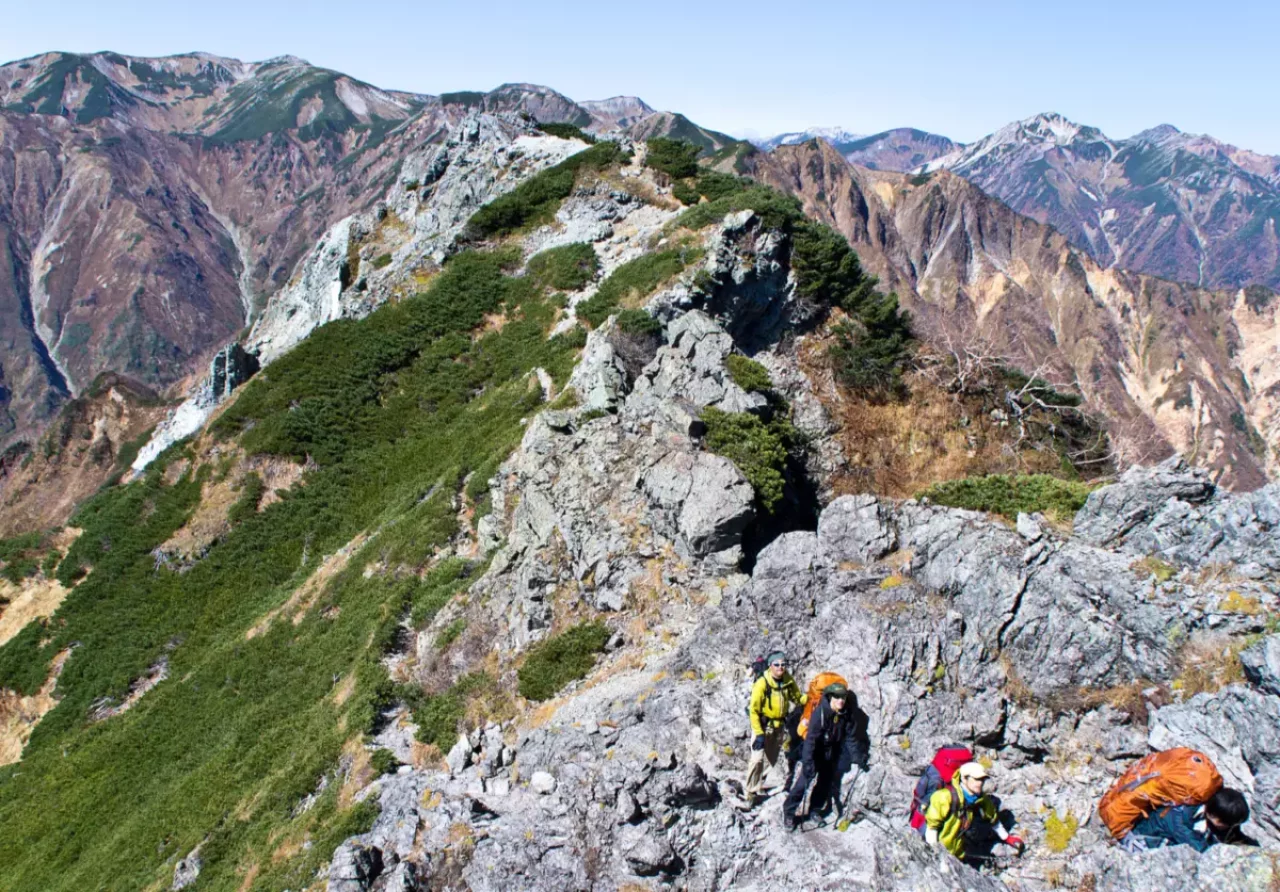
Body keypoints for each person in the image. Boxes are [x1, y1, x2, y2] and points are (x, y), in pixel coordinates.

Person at [782, 681, 869, 830]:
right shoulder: (820, 714)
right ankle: (789, 813)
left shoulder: (846, 714)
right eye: (837, 697)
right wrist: (808, 762)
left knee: (824, 783)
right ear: (830, 697)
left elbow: (851, 738)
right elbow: (810, 741)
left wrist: (858, 757)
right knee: (803, 783)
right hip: (815, 752)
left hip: (830, 753)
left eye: (843, 697)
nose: (841, 700)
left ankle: (814, 810)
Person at [924, 761, 1023, 863]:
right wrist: (935, 854)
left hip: (958, 854)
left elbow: (993, 819)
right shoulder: (944, 797)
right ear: (964, 779)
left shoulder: (982, 799)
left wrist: (1007, 838)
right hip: (942, 852)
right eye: (976, 779)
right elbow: (932, 828)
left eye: (982, 779)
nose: (980, 783)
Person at [745, 651, 806, 807]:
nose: (780, 667)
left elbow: (798, 698)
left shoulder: (787, 680)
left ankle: (758, 783)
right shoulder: (762, 683)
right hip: (762, 726)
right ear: (770, 666)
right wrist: (759, 734)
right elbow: (753, 711)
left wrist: (814, 696)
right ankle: (750, 793)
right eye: (776, 664)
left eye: (783, 664)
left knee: (770, 761)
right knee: (757, 759)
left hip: (778, 727)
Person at [1121, 788, 1250, 853]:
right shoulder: (1180, 822)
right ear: (1214, 817)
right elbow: (1201, 850)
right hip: (1138, 844)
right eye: (1228, 824)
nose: (1230, 827)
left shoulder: (1197, 803)